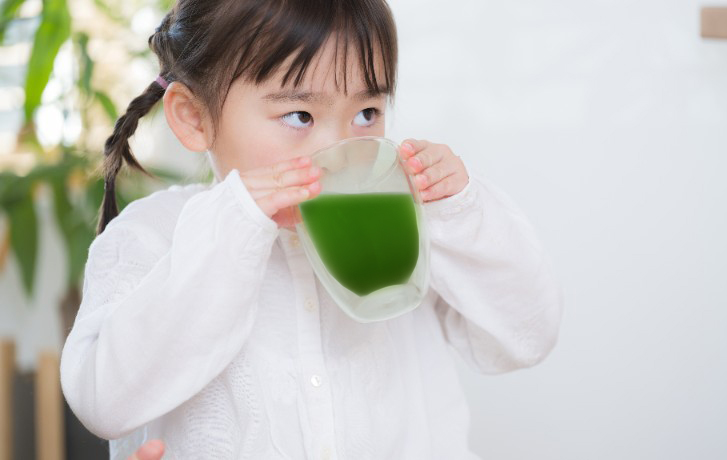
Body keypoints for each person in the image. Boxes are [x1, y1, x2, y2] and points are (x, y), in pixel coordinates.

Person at [60, 0, 563, 458]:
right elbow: (104, 402)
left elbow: (525, 336)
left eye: (366, 113)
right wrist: (237, 225)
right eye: (300, 115)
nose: (338, 149)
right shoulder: (153, 236)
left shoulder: (404, 223)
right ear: (194, 119)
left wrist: (457, 211)